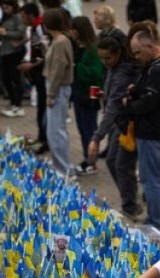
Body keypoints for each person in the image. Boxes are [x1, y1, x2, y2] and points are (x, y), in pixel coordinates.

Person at [125, 30, 160, 232]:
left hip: (152, 131)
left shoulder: (158, 69)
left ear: (149, 46)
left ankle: (156, 221)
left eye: (139, 52)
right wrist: (136, 90)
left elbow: (148, 102)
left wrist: (129, 105)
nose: (138, 57)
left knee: (151, 179)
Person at [88, 36, 142, 218]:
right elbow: (113, 99)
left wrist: (97, 137)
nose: (105, 62)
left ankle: (130, 205)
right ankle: (131, 199)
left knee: (121, 164)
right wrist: (107, 94)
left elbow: (114, 107)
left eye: (108, 58)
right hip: (120, 122)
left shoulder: (123, 72)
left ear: (118, 53)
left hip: (128, 123)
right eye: (101, 58)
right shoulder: (113, 68)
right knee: (112, 161)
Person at [71, 16, 105, 176]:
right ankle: (87, 157)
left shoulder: (92, 49)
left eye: (73, 29)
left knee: (89, 128)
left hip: (90, 94)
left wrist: (77, 67)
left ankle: (91, 162)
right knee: (81, 127)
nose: (71, 32)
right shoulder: (77, 46)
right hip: (79, 92)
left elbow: (96, 74)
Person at [42, 8, 75, 175]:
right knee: (56, 129)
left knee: (55, 132)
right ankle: (62, 166)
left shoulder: (60, 42)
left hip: (58, 88)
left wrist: (51, 94)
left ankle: (64, 170)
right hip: (58, 87)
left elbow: (58, 69)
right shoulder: (59, 40)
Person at [18, 3, 49, 154]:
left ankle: (45, 140)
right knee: (40, 108)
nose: (22, 19)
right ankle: (42, 137)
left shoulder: (40, 27)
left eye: (23, 16)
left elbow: (47, 54)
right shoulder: (33, 28)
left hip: (43, 74)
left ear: (31, 15)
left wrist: (31, 65)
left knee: (43, 108)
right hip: (37, 74)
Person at [0, 0, 28, 117]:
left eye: (7, 8)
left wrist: (5, 33)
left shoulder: (17, 18)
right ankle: (13, 101)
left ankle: (18, 104)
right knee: (5, 78)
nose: (5, 10)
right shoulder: (4, 18)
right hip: (4, 51)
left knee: (15, 78)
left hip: (15, 52)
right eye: (3, 8)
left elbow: (21, 33)